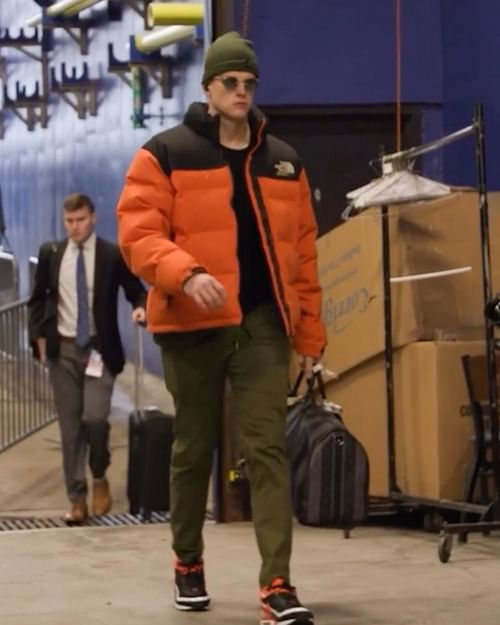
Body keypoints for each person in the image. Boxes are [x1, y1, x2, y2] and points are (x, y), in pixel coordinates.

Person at [116, 31, 326, 625]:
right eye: (229, 82)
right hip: (194, 325)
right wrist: (185, 273)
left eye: (248, 83)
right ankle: (188, 561)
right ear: (207, 87)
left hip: (263, 326)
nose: (240, 91)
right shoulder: (164, 153)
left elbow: (304, 258)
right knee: (193, 446)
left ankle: (278, 584)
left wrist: (309, 339)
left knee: (268, 449)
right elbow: (138, 235)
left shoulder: (283, 160)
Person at [28, 193, 147, 524]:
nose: (74, 227)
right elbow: (37, 301)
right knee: (69, 428)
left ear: (93, 218)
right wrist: (36, 339)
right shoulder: (52, 255)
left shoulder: (110, 255)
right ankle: (76, 498)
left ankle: (99, 475)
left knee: (95, 418)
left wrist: (141, 306)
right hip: (62, 350)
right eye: (69, 221)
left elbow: (135, 288)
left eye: (80, 220)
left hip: (98, 350)